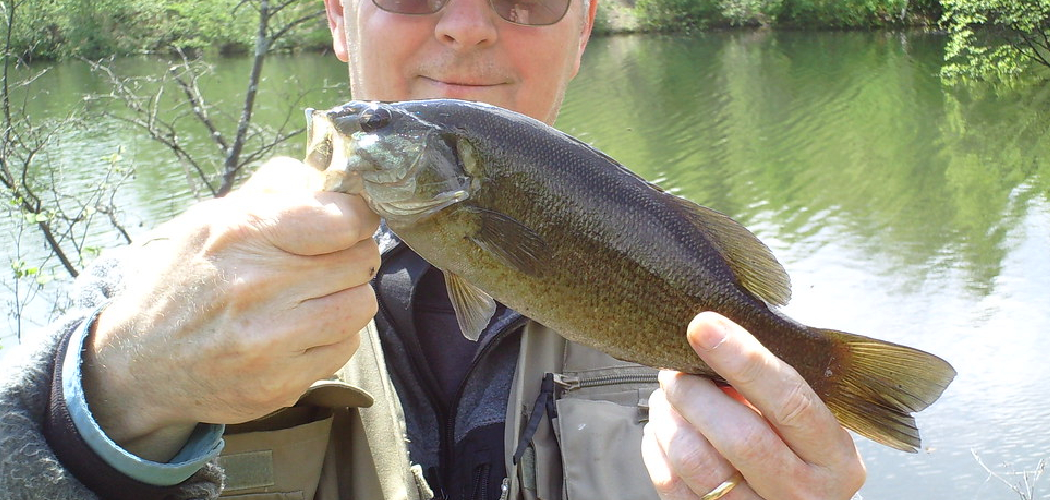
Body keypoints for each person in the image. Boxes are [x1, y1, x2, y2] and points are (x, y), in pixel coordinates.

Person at [0, 0, 867, 497]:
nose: (465, 26)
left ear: (583, 28)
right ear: (340, 17)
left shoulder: (728, 355)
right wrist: (117, 390)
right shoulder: (152, 289)